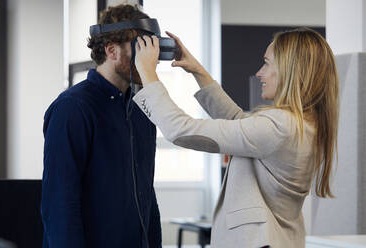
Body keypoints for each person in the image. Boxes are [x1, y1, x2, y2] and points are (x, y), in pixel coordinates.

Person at [132, 28, 339, 248]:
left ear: (290, 71)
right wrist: (198, 71)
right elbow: (238, 121)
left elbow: (181, 130)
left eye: (267, 63)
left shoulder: (278, 126)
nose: (260, 72)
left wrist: (148, 74)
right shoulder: (302, 124)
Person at [41, 4, 161, 248]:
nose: (150, 60)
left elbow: (147, 195)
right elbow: (60, 203)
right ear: (111, 51)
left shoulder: (142, 109)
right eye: (140, 49)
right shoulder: (73, 108)